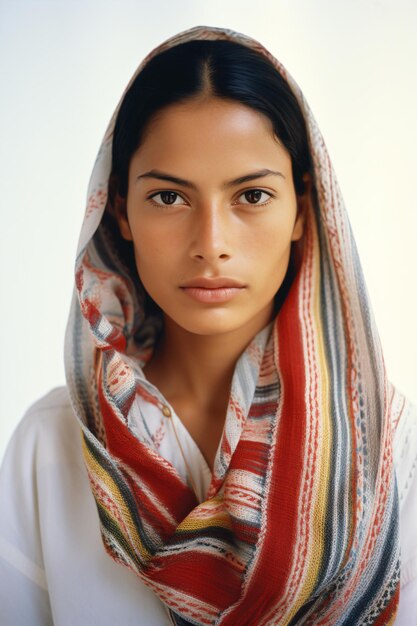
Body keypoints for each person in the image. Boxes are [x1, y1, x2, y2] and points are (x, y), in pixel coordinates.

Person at [0, 24, 416, 626]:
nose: (211, 244)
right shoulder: (52, 447)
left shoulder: (388, 450)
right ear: (120, 211)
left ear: (304, 207)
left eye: (251, 196)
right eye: (170, 198)